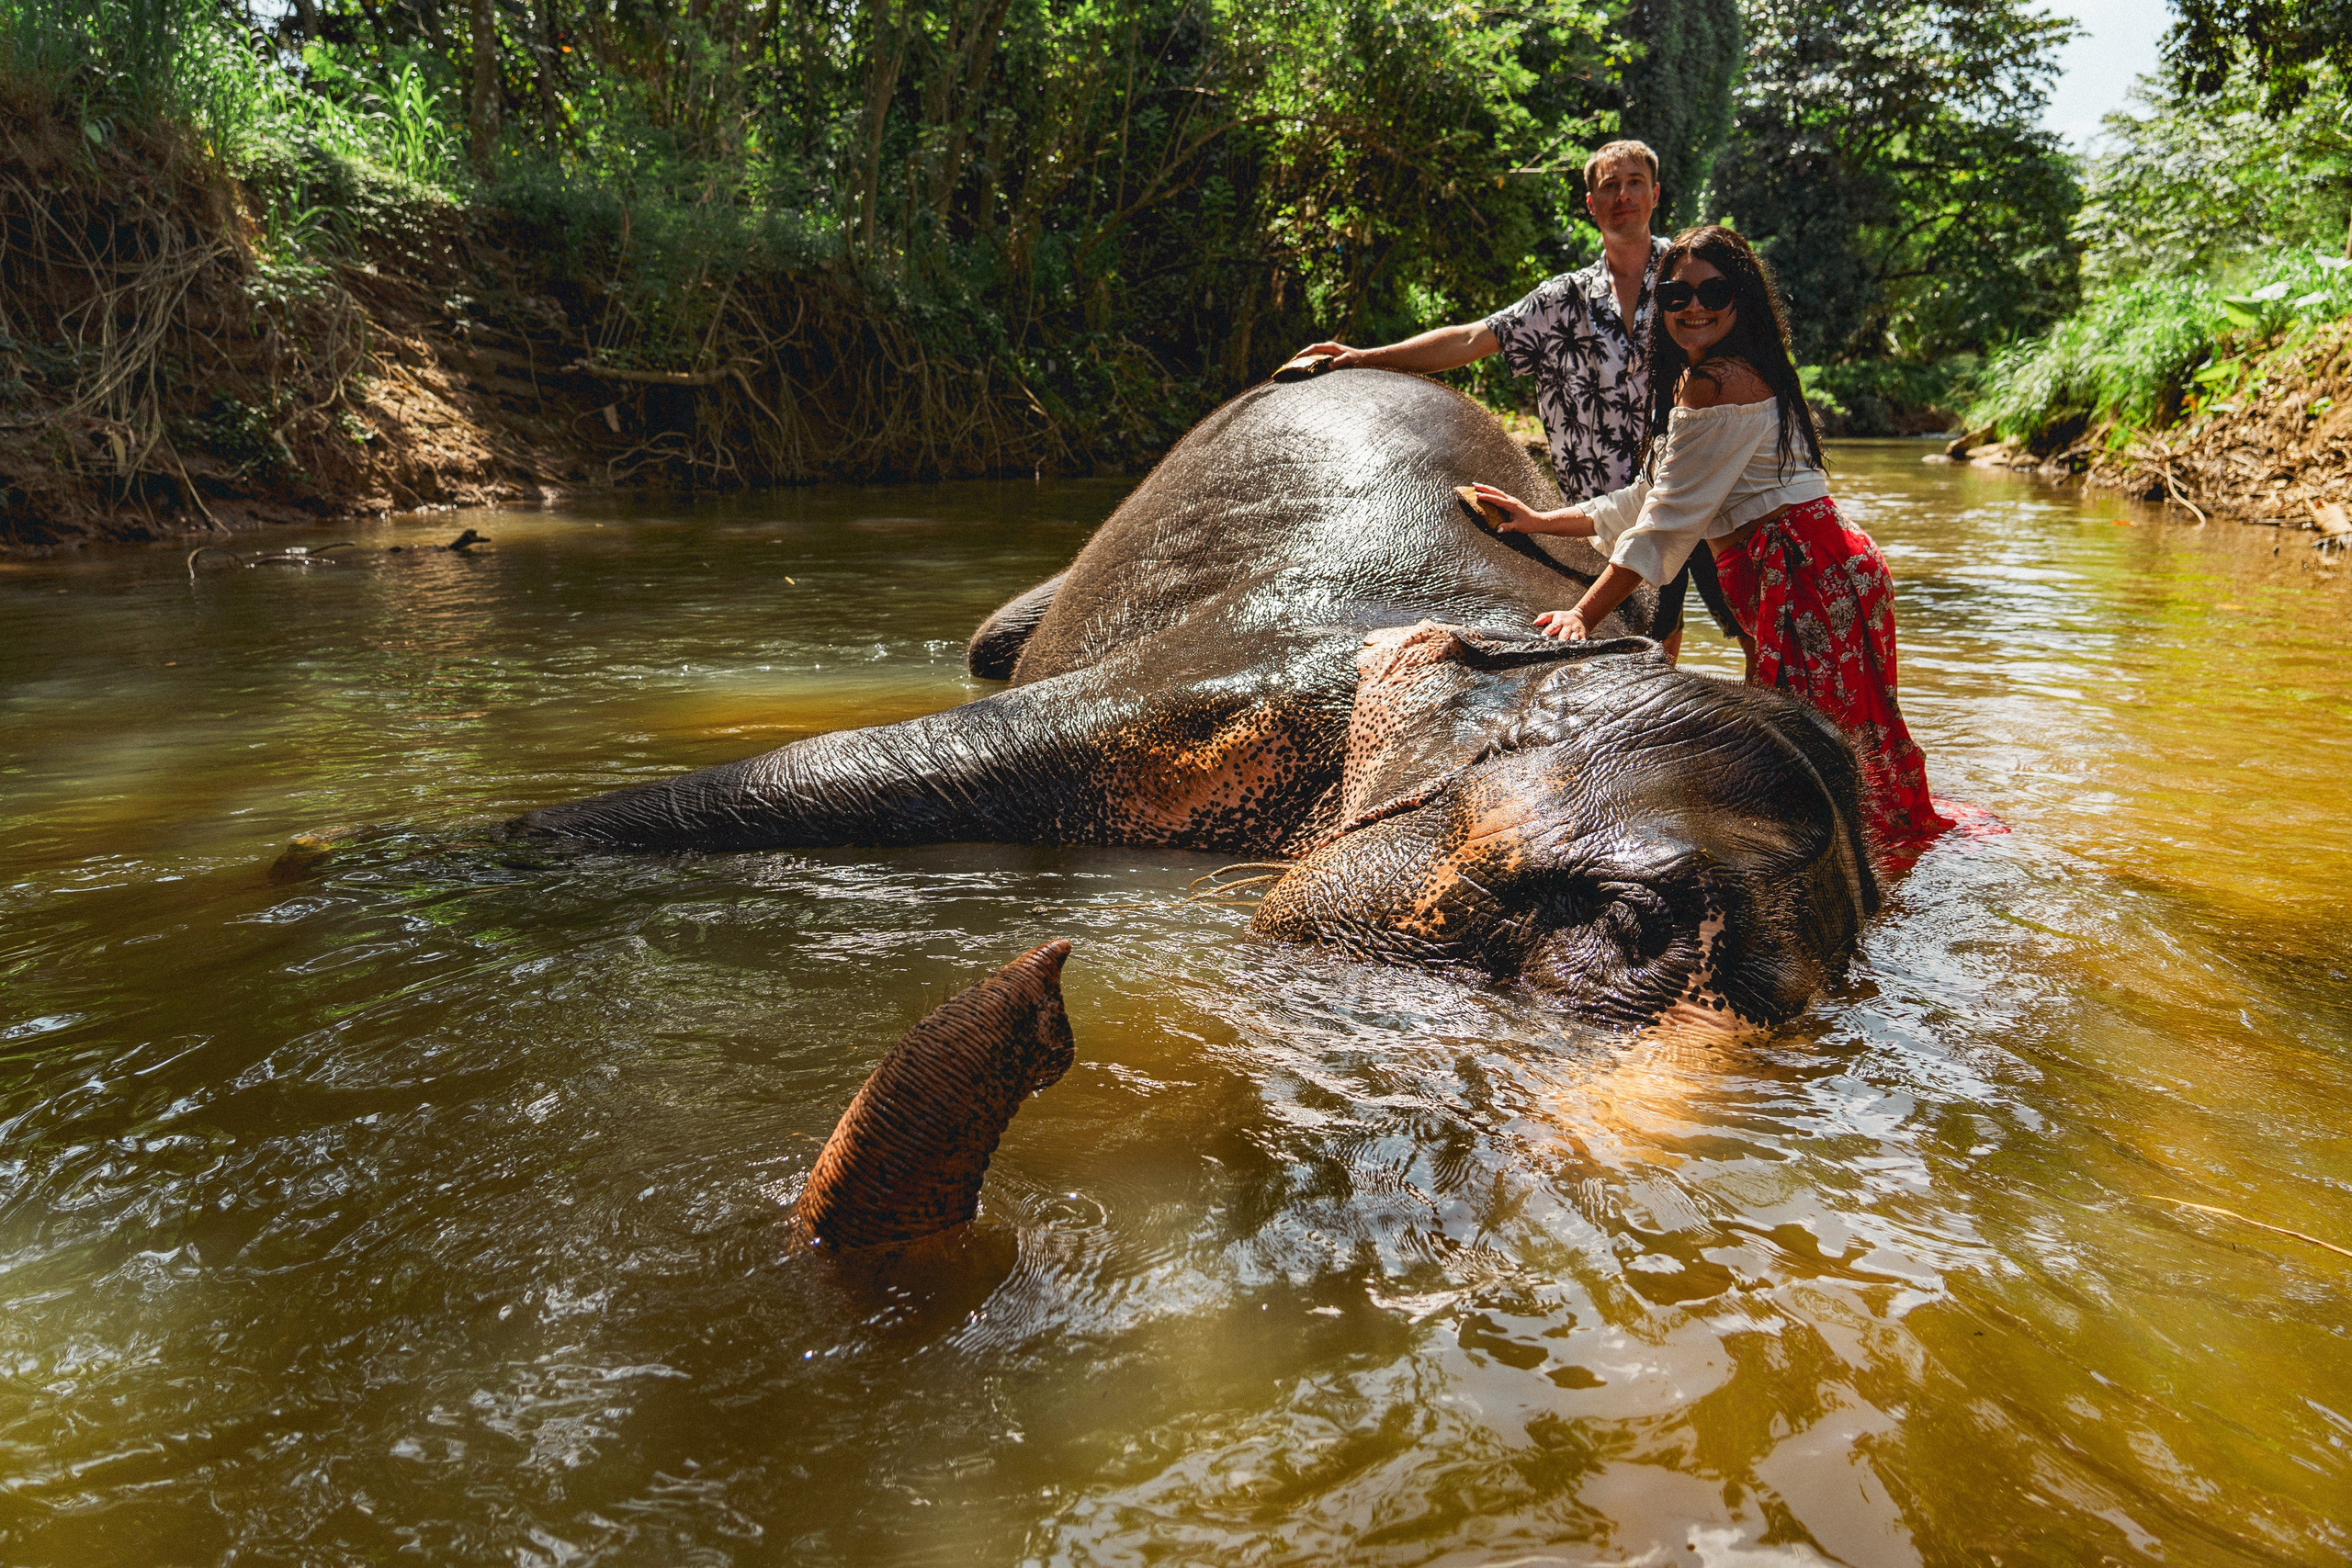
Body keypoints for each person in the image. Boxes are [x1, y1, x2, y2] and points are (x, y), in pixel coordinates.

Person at [1466, 225, 1951, 850]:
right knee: (1843, 747)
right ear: (1661, 304)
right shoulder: (1713, 376)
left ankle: (1888, 887)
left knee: (1819, 767)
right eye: (1676, 295)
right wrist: (1537, 519)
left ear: (1740, 296)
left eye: (1712, 290)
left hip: (1808, 575)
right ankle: (1900, 867)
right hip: (1821, 567)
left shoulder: (1720, 380)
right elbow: (1643, 499)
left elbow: (1666, 522)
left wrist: (1583, 615)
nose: (1693, 306)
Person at [1290, 139, 1737, 658]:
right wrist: (1366, 356)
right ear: (1590, 204)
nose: (1623, 196)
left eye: (1634, 182)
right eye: (1608, 186)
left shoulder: (1692, 284)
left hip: (1701, 486)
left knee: (1755, 628)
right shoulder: (1562, 301)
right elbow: (1468, 340)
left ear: (1656, 194)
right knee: (1648, 646)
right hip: (1599, 515)